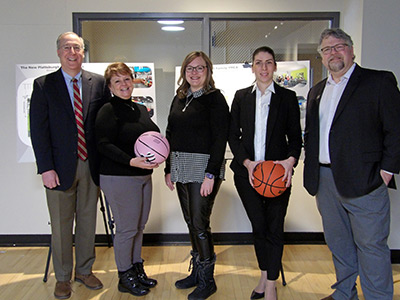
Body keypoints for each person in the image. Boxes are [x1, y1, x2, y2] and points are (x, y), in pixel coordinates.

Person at [303, 28, 400, 300]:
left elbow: (396, 129)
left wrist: (386, 171)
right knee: (339, 244)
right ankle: (344, 293)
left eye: (339, 46)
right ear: (321, 57)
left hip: (366, 180)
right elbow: (314, 135)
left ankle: (378, 297)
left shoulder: (377, 82)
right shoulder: (317, 91)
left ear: (351, 50)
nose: (333, 52)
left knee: (371, 246)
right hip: (324, 180)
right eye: (327, 49)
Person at [29, 32, 110, 299]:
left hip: (90, 163)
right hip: (58, 167)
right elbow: (38, 131)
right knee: (62, 226)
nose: (72, 52)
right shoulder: (43, 85)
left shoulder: (98, 83)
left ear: (83, 52)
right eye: (67, 47)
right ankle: (62, 277)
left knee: (88, 221)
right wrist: (45, 168)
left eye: (77, 47)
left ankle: (84, 271)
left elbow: (104, 124)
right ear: (58, 52)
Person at [228, 46, 302, 300]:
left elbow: (295, 137)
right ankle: (264, 273)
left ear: (275, 67)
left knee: (274, 227)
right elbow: (232, 136)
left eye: (268, 62)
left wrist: (290, 162)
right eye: (258, 63)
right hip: (247, 174)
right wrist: (247, 163)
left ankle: (270, 285)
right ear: (252, 67)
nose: (263, 68)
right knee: (258, 227)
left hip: (278, 174)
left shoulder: (287, 97)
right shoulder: (240, 97)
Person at [164, 51, 230, 300]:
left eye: (199, 68)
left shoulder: (215, 99)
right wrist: (168, 168)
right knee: (191, 222)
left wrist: (211, 174)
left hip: (204, 169)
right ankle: (197, 272)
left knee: (201, 224)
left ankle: (207, 280)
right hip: (180, 166)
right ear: (184, 72)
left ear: (208, 71)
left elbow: (220, 138)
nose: (194, 72)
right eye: (189, 68)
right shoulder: (179, 97)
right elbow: (170, 133)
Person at [95, 62, 159, 297]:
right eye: (117, 81)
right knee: (126, 229)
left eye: (127, 79)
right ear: (111, 86)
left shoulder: (140, 109)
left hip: (143, 176)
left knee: (139, 226)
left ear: (133, 81)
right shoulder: (107, 110)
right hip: (119, 176)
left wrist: (157, 153)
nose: (124, 85)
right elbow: (103, 144)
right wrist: (132, 161)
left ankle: (136, 268)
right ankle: (124, 275)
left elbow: (153, 136)